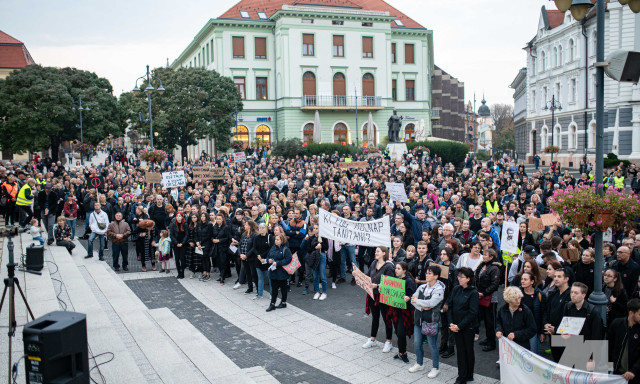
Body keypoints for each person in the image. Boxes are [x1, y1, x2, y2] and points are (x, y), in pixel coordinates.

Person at [409, 265, 445, 379]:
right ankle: (419, 363)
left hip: (431, 321)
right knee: (416, 343)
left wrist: (420, 302)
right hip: (419, 318)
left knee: (432, 345)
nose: (427, 275)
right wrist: (422, 306)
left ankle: (435, 368)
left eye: (430, 273)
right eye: (427, 273)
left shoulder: (439, 289)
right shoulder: (422, 287)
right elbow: (412, 299)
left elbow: (432, 303)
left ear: (436, 276)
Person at [447, 267, 479, 384]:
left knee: (468, 350)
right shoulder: (456, 289)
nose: (459, 278)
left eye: (462, 277)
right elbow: (450, 305)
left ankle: (468, 374)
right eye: (458, 276)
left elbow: (473, 313)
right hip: (455, 325)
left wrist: (459, 326)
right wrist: (451, 323)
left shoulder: (473, 293)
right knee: (460, 350)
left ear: (468, 279)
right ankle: (462, 375)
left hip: (467, 326)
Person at [363, 246, 396, 353]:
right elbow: (368, 276)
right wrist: (358, 275)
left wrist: (376, 285)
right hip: (373, 295)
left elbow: (390, 283)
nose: (375, 253)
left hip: (383, 296)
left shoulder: (389, 267)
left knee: (387, 318)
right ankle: (372, 339)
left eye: (378, 251)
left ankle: (388, 342)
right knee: (375, 317)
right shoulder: (373, 263)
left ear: (383, 253)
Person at [388, 261, 416, 363]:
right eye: (396, 268)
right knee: (398, 331)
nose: (396, 270)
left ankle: (403, 353)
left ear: (404, 270)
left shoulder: (409, 281)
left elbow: (414, 295)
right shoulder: (396, 279)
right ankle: (401, 352)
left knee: (401, 332)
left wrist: (408, 297)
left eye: (398, 269)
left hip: (405, 311)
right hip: (396, 310)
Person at [608, 299, 640, 384]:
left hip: (634, 375)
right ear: (631, 313)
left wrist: (634, 371)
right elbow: (608, 345)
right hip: (616, 374)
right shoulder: (617, 324)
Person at [475, 248, 501, 352]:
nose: (483, 256)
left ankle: (492, 342)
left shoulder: (494, 269)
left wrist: (484, 293)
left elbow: (495, 284)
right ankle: (488, 338)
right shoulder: (481, 265)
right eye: (483, 254)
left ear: (491, 257)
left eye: (485, 255)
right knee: (484, 320)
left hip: (490, 298)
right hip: (480, 295)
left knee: (490, 321)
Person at [519, 272, 546, 355]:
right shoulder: (517, 293)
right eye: (522, 279)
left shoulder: (540, 295)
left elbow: (543, 314)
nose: (522, 281)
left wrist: (542, 332)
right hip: (519, 328)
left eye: (525, 279)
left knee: (533, 354)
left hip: (533, 329)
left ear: (532, 282)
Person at [266, 233, 292, 312]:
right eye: (275, 239)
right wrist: (268, 260)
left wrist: (278, 263)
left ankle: (283, 302)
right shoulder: (273, 247)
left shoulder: (285, 249)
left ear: (282, 240)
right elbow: (268, 256)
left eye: (278, 240)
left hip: (282, 272)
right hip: (273, 272)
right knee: (274, 289)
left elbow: (288, 259)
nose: (276, 241)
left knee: (283, 288)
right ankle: (272, 304)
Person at [306, 223, 328, 301]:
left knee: (322, 275)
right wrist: (315, 247)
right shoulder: (310, 238)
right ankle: (317, 291)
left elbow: (326, 248)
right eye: (314, 228)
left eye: (317, 228)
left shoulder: (323, 237)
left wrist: (321, 243)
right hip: (314, 257)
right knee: (315, 276)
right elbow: (308, 249)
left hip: (321, 256)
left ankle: (324, 292)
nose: (315, 230)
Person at [238, 219, 259, 294]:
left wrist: (246, 255)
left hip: (251, 257)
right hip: (243, 256)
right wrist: (240, 254)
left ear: (250, 226)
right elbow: (240, 244)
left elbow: (254, 247)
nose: (244, 226)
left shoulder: (255, 235)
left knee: (254, 273)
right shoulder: (244, 234)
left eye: (246, 224)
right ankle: (250, 288)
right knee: (247, 273)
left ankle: (258, 289)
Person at [254, 223, 274, 299]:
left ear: (266, 229)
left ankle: (272, 294)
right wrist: (259, 256)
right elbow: (254, 248)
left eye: (263, 228)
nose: (261, 229)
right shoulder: (256, 237)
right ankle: (259, 293)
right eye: (260, 228)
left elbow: (271, 248)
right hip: (258, 260)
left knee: (270, 278)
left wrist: (262, 257)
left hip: (267, 260)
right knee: (260, 278)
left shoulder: (270, 237)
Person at [169, 212, 189, 279]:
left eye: (180, 216)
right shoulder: (173, 224)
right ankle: (178, 273)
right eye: (177, 216)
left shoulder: (185, 224)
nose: (178, 217)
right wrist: (176, 243)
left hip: (183, 244)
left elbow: (186, 234)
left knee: (182, 258)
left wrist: (182, 243)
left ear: (182, 217)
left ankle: (182, 272)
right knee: (177, 259)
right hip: (175, 244)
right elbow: (171, 235)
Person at [195, 212, 213, 281]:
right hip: (200, 244)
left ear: (206, 217)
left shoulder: (209, 224)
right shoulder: (199, 224)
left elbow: (208, 235)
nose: (202, 217)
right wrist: (197, 242)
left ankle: (208, 274)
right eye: (201, 216)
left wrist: (200, 242)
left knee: (206, 258)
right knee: (202, 259)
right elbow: (196, 234)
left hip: (206, 244)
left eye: (204, 216)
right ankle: (204, 272)